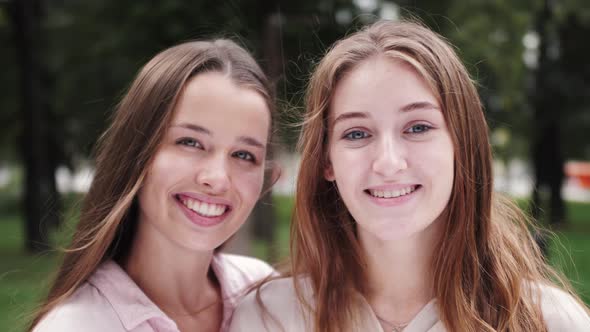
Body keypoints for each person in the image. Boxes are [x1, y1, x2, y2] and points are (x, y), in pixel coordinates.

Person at [228, 20, 590, 332]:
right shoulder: (268, 319)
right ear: (327, 162)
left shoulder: (547, 321)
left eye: (417, 127)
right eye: (356, 133)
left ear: (461, 145)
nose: (388, 162)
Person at [30, 39, 278, 332]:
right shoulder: (75, 326)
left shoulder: (267, 295)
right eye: (190, 142)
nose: (218, 178)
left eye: (244, 155)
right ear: (136, 152)